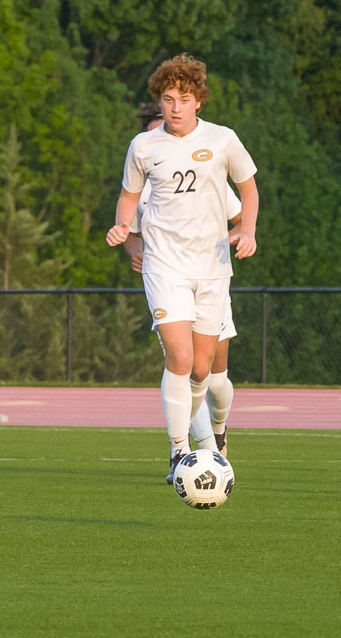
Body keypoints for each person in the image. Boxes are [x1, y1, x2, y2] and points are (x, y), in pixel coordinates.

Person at [106, 53, 257, 483]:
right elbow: (128, 198)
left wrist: (247, 231)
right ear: (160, 100)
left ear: (198, 102)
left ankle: (212, 440)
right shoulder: (143, 146)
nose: (174, 106)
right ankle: (179, 453)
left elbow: (248, 190)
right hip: (164, 266)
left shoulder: (223, 139)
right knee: (180, 356)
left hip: (212, 268)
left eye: (183, 98)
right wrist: (122, 227)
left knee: (203, 370)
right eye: (168, 98)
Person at [121, 103, 235, 467]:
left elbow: (238, 213)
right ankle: (191, 453)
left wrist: (237, 235)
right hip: (169, 278)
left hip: (211, 277)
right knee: (181, 363)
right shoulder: (142, 178)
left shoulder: (206, 167)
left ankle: (218, 428)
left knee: (212, 377)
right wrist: (135, 252)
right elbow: (130, 233)